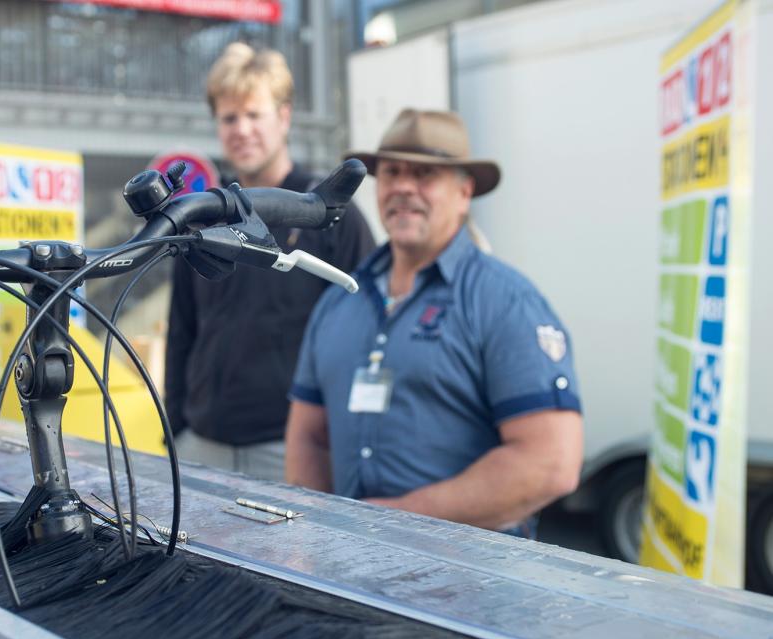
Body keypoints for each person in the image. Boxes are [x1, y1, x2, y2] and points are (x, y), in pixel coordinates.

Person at [284, 109, 583, 537]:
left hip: (466, 592)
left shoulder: (505, 302)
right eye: (392, 172)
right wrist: (322, 536)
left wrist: (391, 522)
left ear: (464, 192)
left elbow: (550, 464)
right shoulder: (339, 302)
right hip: (348, 581)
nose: (404, 187)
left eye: (424, 174)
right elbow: (308, 438)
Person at [165, 43, 374, 480]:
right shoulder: (199, 215)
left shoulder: (329, 214)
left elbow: (367, 332)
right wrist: (176, 429)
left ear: (284, 116)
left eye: (253, 114)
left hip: (292, 451)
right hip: (202, 446)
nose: (241, 129)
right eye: (229, 118)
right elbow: (182, 331)